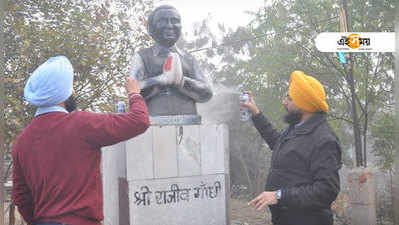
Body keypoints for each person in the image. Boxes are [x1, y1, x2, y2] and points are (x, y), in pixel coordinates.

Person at [12, 56, 150, 225]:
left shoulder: (22, 141)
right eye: (71, 88)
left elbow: (21, 197)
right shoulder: (81, 124)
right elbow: (139, 121)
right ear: (62, 92)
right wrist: (134, 94)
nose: (73, 92)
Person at [243, 71, 342, 225]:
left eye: (289, 98)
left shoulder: (324, 140)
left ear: (304, 104)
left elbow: (326, 190)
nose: (284, 102)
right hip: (285, 218)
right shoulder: (297, 128)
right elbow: (278, 143)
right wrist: (256, 113)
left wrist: (279, 195)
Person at [130, 5, 213, 117]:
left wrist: (181, 82)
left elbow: (207, 93)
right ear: (150, 29)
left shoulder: (189, 58)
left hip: (189, 124)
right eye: (162, 21)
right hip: (152, 125)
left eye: (175, 21)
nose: (169, 26)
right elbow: (133, 91)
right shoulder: (142, 57)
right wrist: (160, 80)